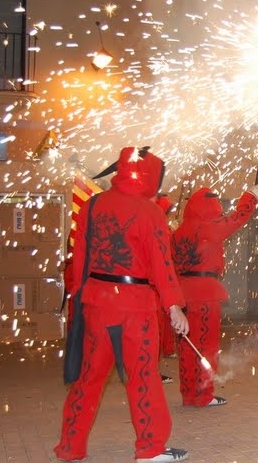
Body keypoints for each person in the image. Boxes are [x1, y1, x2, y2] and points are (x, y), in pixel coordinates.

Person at [54, 147, 190, 463]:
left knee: (89, 377)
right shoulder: (150, 211)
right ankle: (150, 448)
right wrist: (174, 306)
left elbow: (80, 261)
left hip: (97, 303)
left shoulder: (92, 205)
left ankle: (70, 447)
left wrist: (82, 298)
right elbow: (161, 264)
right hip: (135, 307)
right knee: (143, 375)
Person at [171, 184, 258, 406]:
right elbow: (237, 218)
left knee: (187, 346)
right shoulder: (207, 227)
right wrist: (251, 197)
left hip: (182, 294)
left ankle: (189, 393)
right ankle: (203, 395)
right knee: (206, 345)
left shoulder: (178, 232)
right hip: (204, 294)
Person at [155, 194, 177, 383]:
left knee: (162, 327)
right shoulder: (158, 230)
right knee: (154, 331)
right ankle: (151, 371)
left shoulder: (163, 228)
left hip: (158, 287)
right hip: (153, 288)